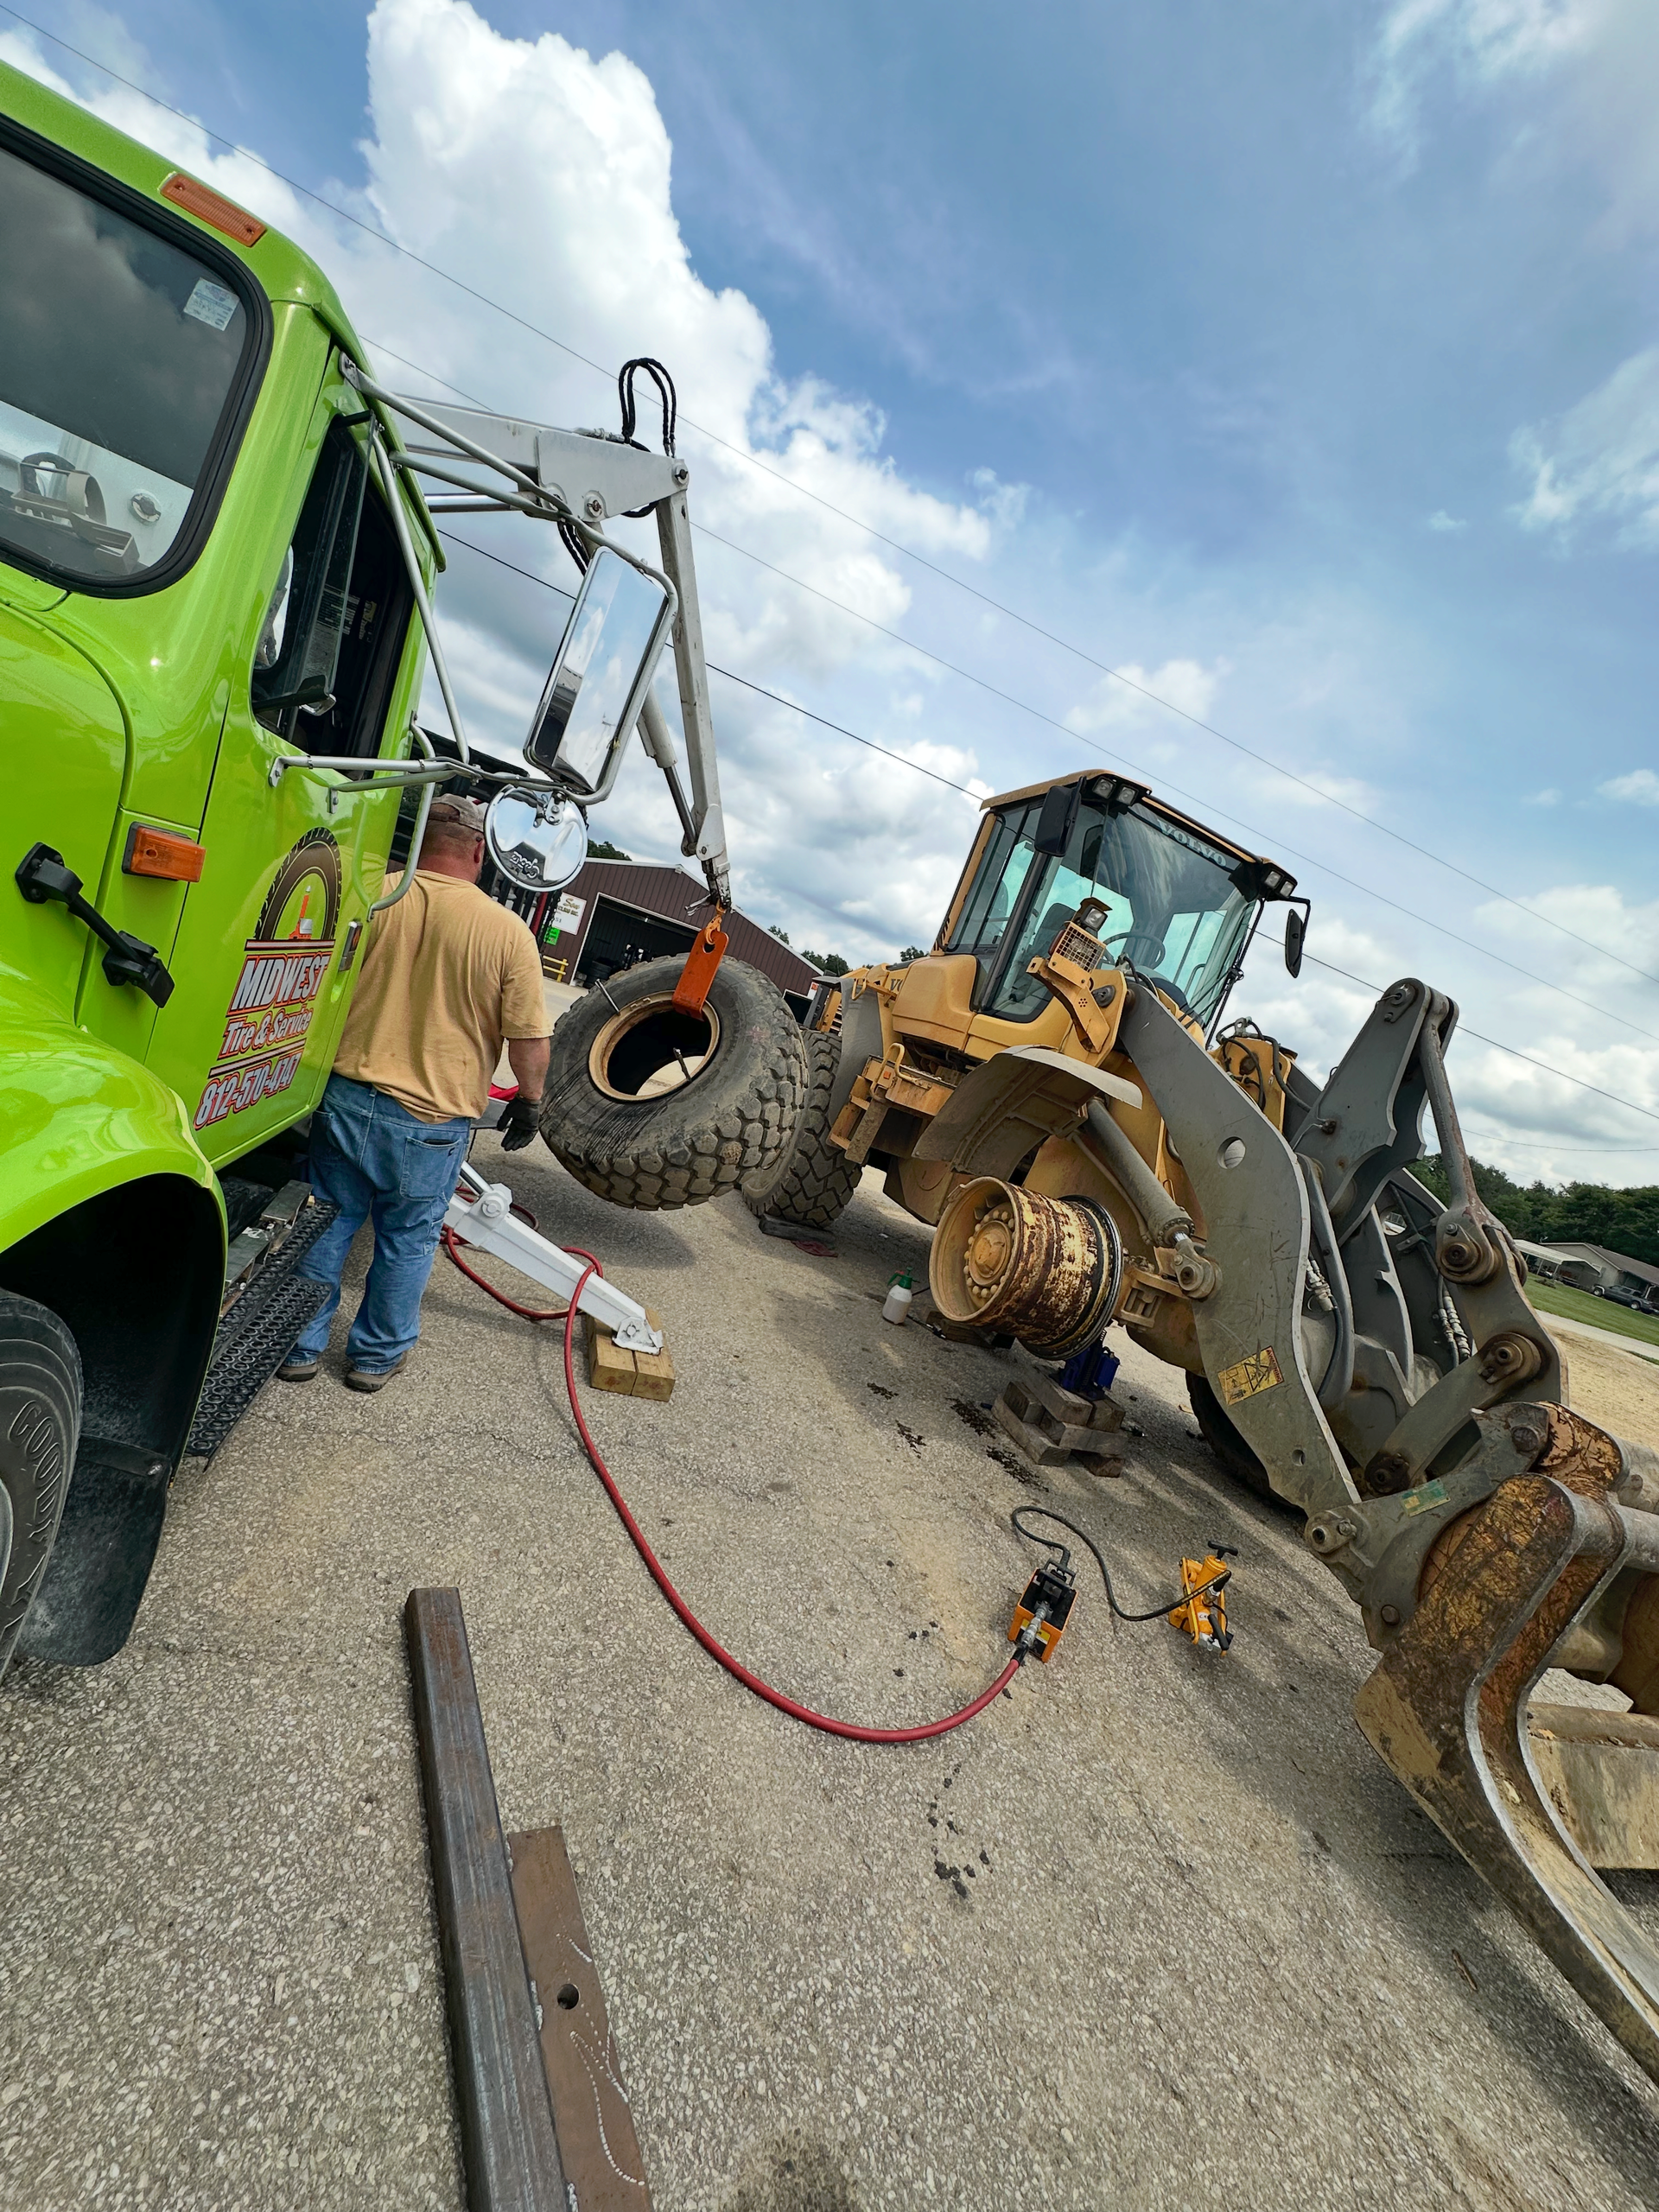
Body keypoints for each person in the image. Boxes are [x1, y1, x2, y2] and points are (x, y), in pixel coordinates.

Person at [279, 796, 552, 1392]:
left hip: (347, 1097)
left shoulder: (373, 895)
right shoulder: (508, 933)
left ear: (418, 838)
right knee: (406, 1241)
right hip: (431, 1120)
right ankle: (373, 1360)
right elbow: (528, 1037)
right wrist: (530, 1101)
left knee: (327, 1223)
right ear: (479, 850)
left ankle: (298, 1345)